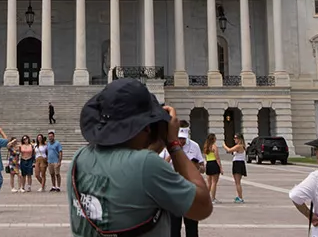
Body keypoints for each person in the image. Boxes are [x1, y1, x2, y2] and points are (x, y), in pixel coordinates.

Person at [68, 78, 212, 237]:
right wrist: (173, 144)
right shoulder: (146, 165)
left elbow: (127, 174)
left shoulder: (79, 158)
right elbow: (203, 207)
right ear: (144, 127)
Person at [164, 122, 205, 237]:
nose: (182, 141)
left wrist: (197, 166)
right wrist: (171, 154)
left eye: (184, 139)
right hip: (173, 191)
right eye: (179, 138)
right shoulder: (166, 146)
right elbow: (160, 165)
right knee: (173, 227)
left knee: (192, 227)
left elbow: (203, 168)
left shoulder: (194, 146)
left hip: (190, 191)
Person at [223, 134, 247, 203]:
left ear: (239, 139)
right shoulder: (239, 146)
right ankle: (239, 196)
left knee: (237, 182)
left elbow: (229, 150)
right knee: (237, 182)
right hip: (238, 163)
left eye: (236, 138)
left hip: (238, 164)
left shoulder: (239, 146)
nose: (234, 139)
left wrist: (224, 145)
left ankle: (240, 197)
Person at [202, 134, 222, 202]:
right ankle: (213, 198)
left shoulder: (206, 147)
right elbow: (217, 158)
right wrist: (221, 168)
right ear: (213, 139)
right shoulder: (214, 147)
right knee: (214, 182)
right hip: (214, 163)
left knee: (209, 183)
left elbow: (205, 157)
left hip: (208, 163)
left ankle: (205, 197)